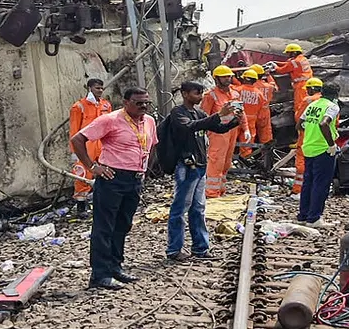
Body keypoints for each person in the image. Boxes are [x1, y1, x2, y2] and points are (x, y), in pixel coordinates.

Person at [71, 88, 157, 289]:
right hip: (113, 178)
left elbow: (152, 145)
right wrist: (93, 167)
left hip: (134, 179)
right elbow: (77, 140)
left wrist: (146, 169)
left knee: (123, 224)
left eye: (146, 103)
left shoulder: (149, 121)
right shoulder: (110, 119)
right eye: (138, 103)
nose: (143, 107)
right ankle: (99, 275)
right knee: (104, 227)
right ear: (126, 103)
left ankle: (115, 266)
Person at [164, 81, 242, 262]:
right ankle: (174, 250)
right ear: (184, 94)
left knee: (198, 209)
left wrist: (234, 119)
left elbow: (217, 127)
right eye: (196, 93)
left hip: (199, 166)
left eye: (200, 92)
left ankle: (200, 248)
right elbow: (190, 127)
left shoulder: (198, 113)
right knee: (180, 209)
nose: (199, 96)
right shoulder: (178, 113)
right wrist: (217, 115)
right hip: (186, 166)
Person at [298, 83, 341, 227]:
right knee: (321, 183)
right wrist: (331, 145)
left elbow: (299, 124)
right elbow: (324, 124)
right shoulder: (332, 107)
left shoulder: (312, 105)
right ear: (336, 94)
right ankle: (314, 218)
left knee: (308, 182)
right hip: (323, 149)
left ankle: (303, 215)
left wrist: (310, 131)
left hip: (308, 147)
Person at [201, 66, 247, 198]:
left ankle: (220, 190)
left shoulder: (235, 94)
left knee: (226, 162)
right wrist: (204, 134)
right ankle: (211, 193)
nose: (228, 79)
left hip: (232, 131)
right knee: (216, 162)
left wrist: (246, 129)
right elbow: (204, 116)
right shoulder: (211, 95)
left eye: (229, 76)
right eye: (224, 77)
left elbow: (241, 113)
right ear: (217, 79)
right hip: (217, 133)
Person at [68, 78, 111, 216]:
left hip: (102, 142)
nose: (100, 91)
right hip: (86, 144)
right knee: (82, 173)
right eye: (97, 88)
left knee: (106, 171)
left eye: (101, 88)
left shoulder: (105, 105)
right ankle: (81, 206)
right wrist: (75, 150)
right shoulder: (79, 106)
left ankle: (104, 202)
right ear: (90, 88)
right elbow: (74, 130)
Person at [236, 69, 273, 158]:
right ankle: (246, 161)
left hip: (236, 118)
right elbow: (261, 107)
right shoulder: (259, 94)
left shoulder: (237, 90)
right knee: (247, 142)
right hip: (252, 120)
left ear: (244, 79)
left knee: (230, 140)